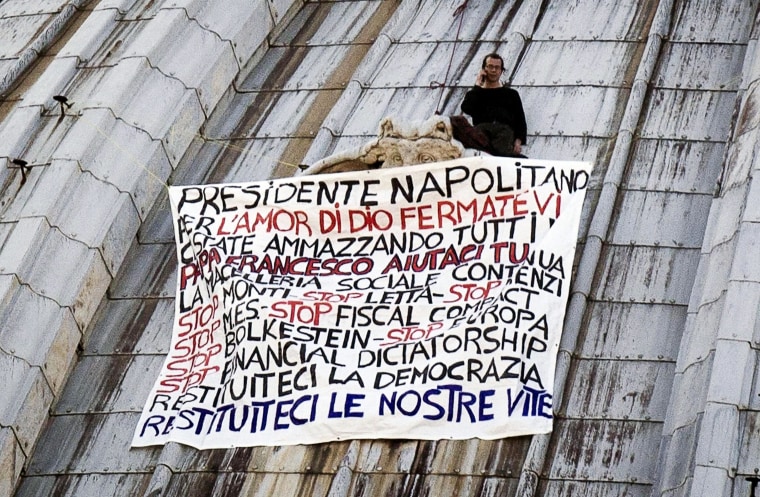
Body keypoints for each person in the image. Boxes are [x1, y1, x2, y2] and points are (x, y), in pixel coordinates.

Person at [460, 53, 527, 157]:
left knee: (502, 157)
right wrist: (478, 85)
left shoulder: (511, 94)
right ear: (484, 69)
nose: (494, 70)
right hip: (482, 132)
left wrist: (518, 141)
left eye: (497, 67)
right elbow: (466, 108)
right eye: (490, 66)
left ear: (501, 71)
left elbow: (520, 119)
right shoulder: (476, 93)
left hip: (504, 133)